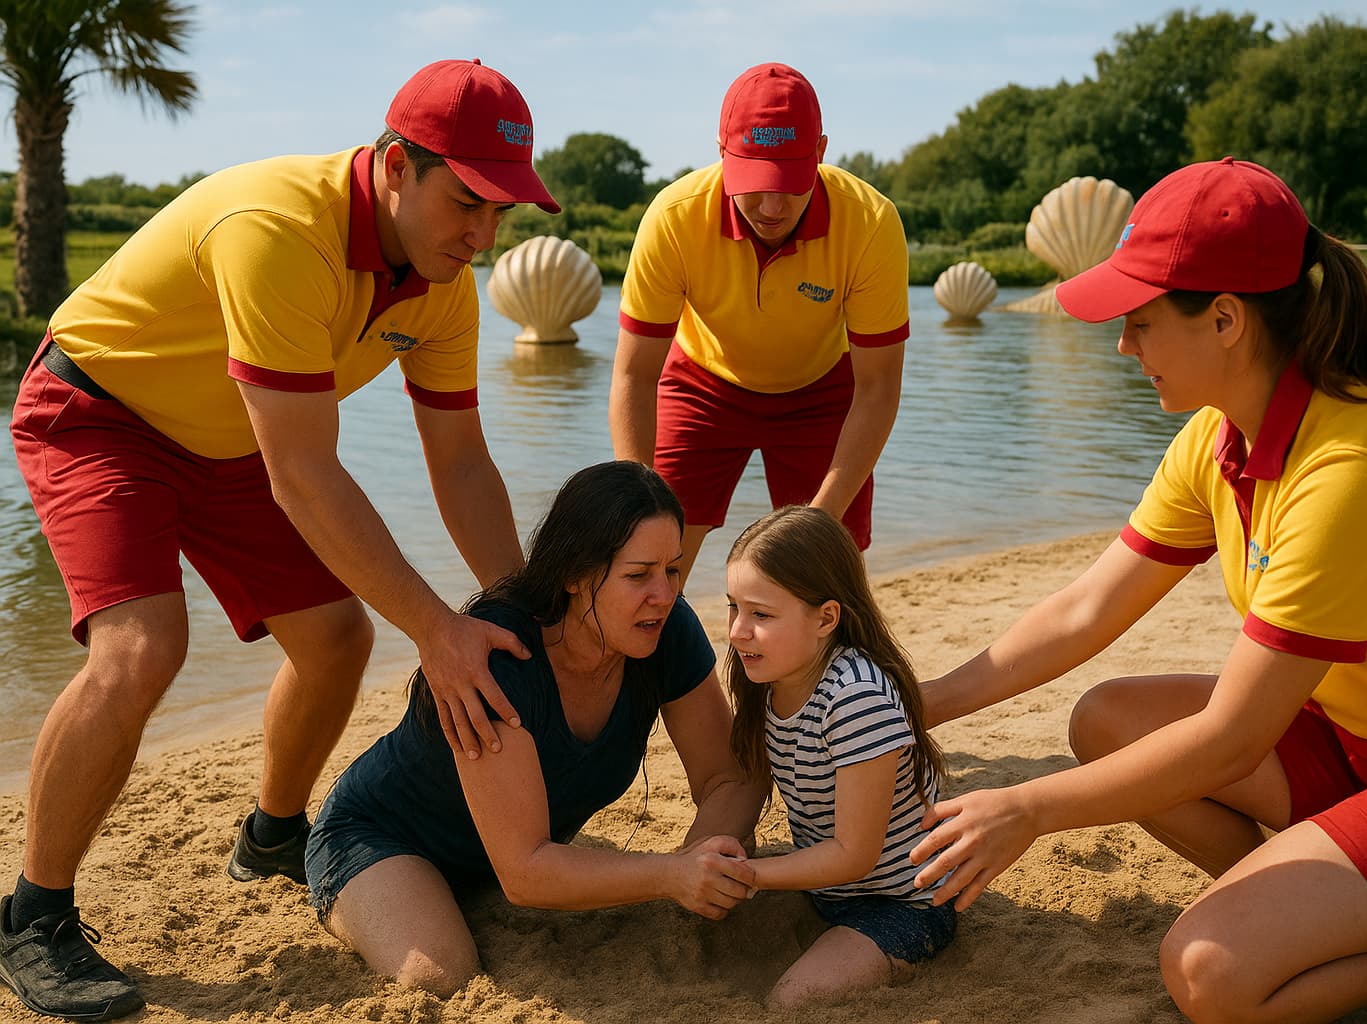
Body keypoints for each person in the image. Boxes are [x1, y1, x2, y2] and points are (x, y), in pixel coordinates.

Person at [909, 157, 1367, 1023]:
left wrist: (1025, 808)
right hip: (1353, 738)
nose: (1122, 345)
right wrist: (923, 705)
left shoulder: (1353, 467)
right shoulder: (1219, 436)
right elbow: (1086, 610)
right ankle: (1317, 900)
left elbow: (1232, 739)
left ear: (1227, 320)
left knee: (1209, 974)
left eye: (1139, 321)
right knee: (1105, 720)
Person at [2, 59, 561, 1022]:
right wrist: (436, 629)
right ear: (394, 166)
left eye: (501, 212)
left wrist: (522, 606)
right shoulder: (278, 228)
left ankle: (271, 833)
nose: (482, 234)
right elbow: (305, 473)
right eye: (466, 201)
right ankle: (32, 916)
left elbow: (463, 464)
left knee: (338, 639)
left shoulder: (443, 287)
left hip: (235, 439)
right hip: (99, 410)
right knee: (145, 647)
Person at [304, 461, 763, 996]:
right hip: (384, 834)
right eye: (638, 575)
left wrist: (705, 858)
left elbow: (731, 775)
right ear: (573, 575)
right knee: (438, 980)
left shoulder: (665, 630)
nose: (663, 595)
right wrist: (672, 874)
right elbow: (525, 874)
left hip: (508, 852)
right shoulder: (502, 661)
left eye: (674, 570)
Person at [609, 61, 910, 586]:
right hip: (703, 382)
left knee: (827, 569)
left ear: (819, 153)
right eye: (754, 183)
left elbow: (879, 386)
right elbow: (634, 375)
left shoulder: (871, 222)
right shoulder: (673, 217)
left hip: (819, 389)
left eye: (791, 184)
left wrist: (820, 519)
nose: (772, 207)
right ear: (723, 153)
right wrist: (635, 502)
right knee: (648, 555)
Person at [724, 505, 954, 1006]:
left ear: (826, 618)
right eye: (733, 608)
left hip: (901, 902)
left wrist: (754, 874)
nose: (738, 631)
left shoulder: (855, 698)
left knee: (791, 1000)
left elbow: (855, 854)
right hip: (826, 890)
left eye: (760, 614)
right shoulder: (767, 674)